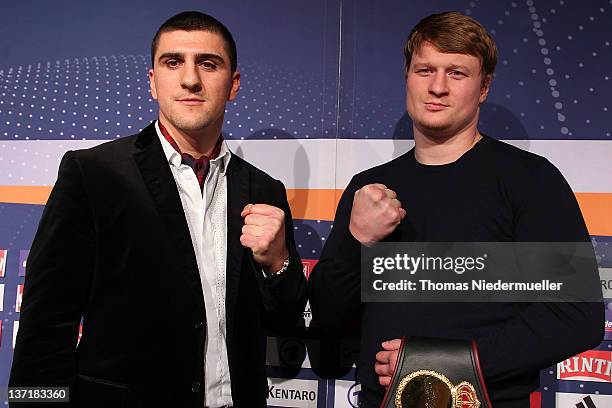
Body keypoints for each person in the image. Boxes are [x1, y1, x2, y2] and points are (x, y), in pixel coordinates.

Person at [9, 11, 307, 408]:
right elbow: (44, 324)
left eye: (208, 63)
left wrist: (278, 263)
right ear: (152, 82)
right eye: (173, 62)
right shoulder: (94, 174)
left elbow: (286, 324)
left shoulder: (264, 189)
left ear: (233, 85)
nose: (190, 79)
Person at [308, 11, 603, 407]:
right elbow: (329, 323)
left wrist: (444, 362)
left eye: (457, 73)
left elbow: (575, 318)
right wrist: (355, 239)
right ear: (407, 78)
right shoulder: (370, 188)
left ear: (484, 87)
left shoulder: (529, 181)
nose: (438, 87)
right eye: (424, 69)